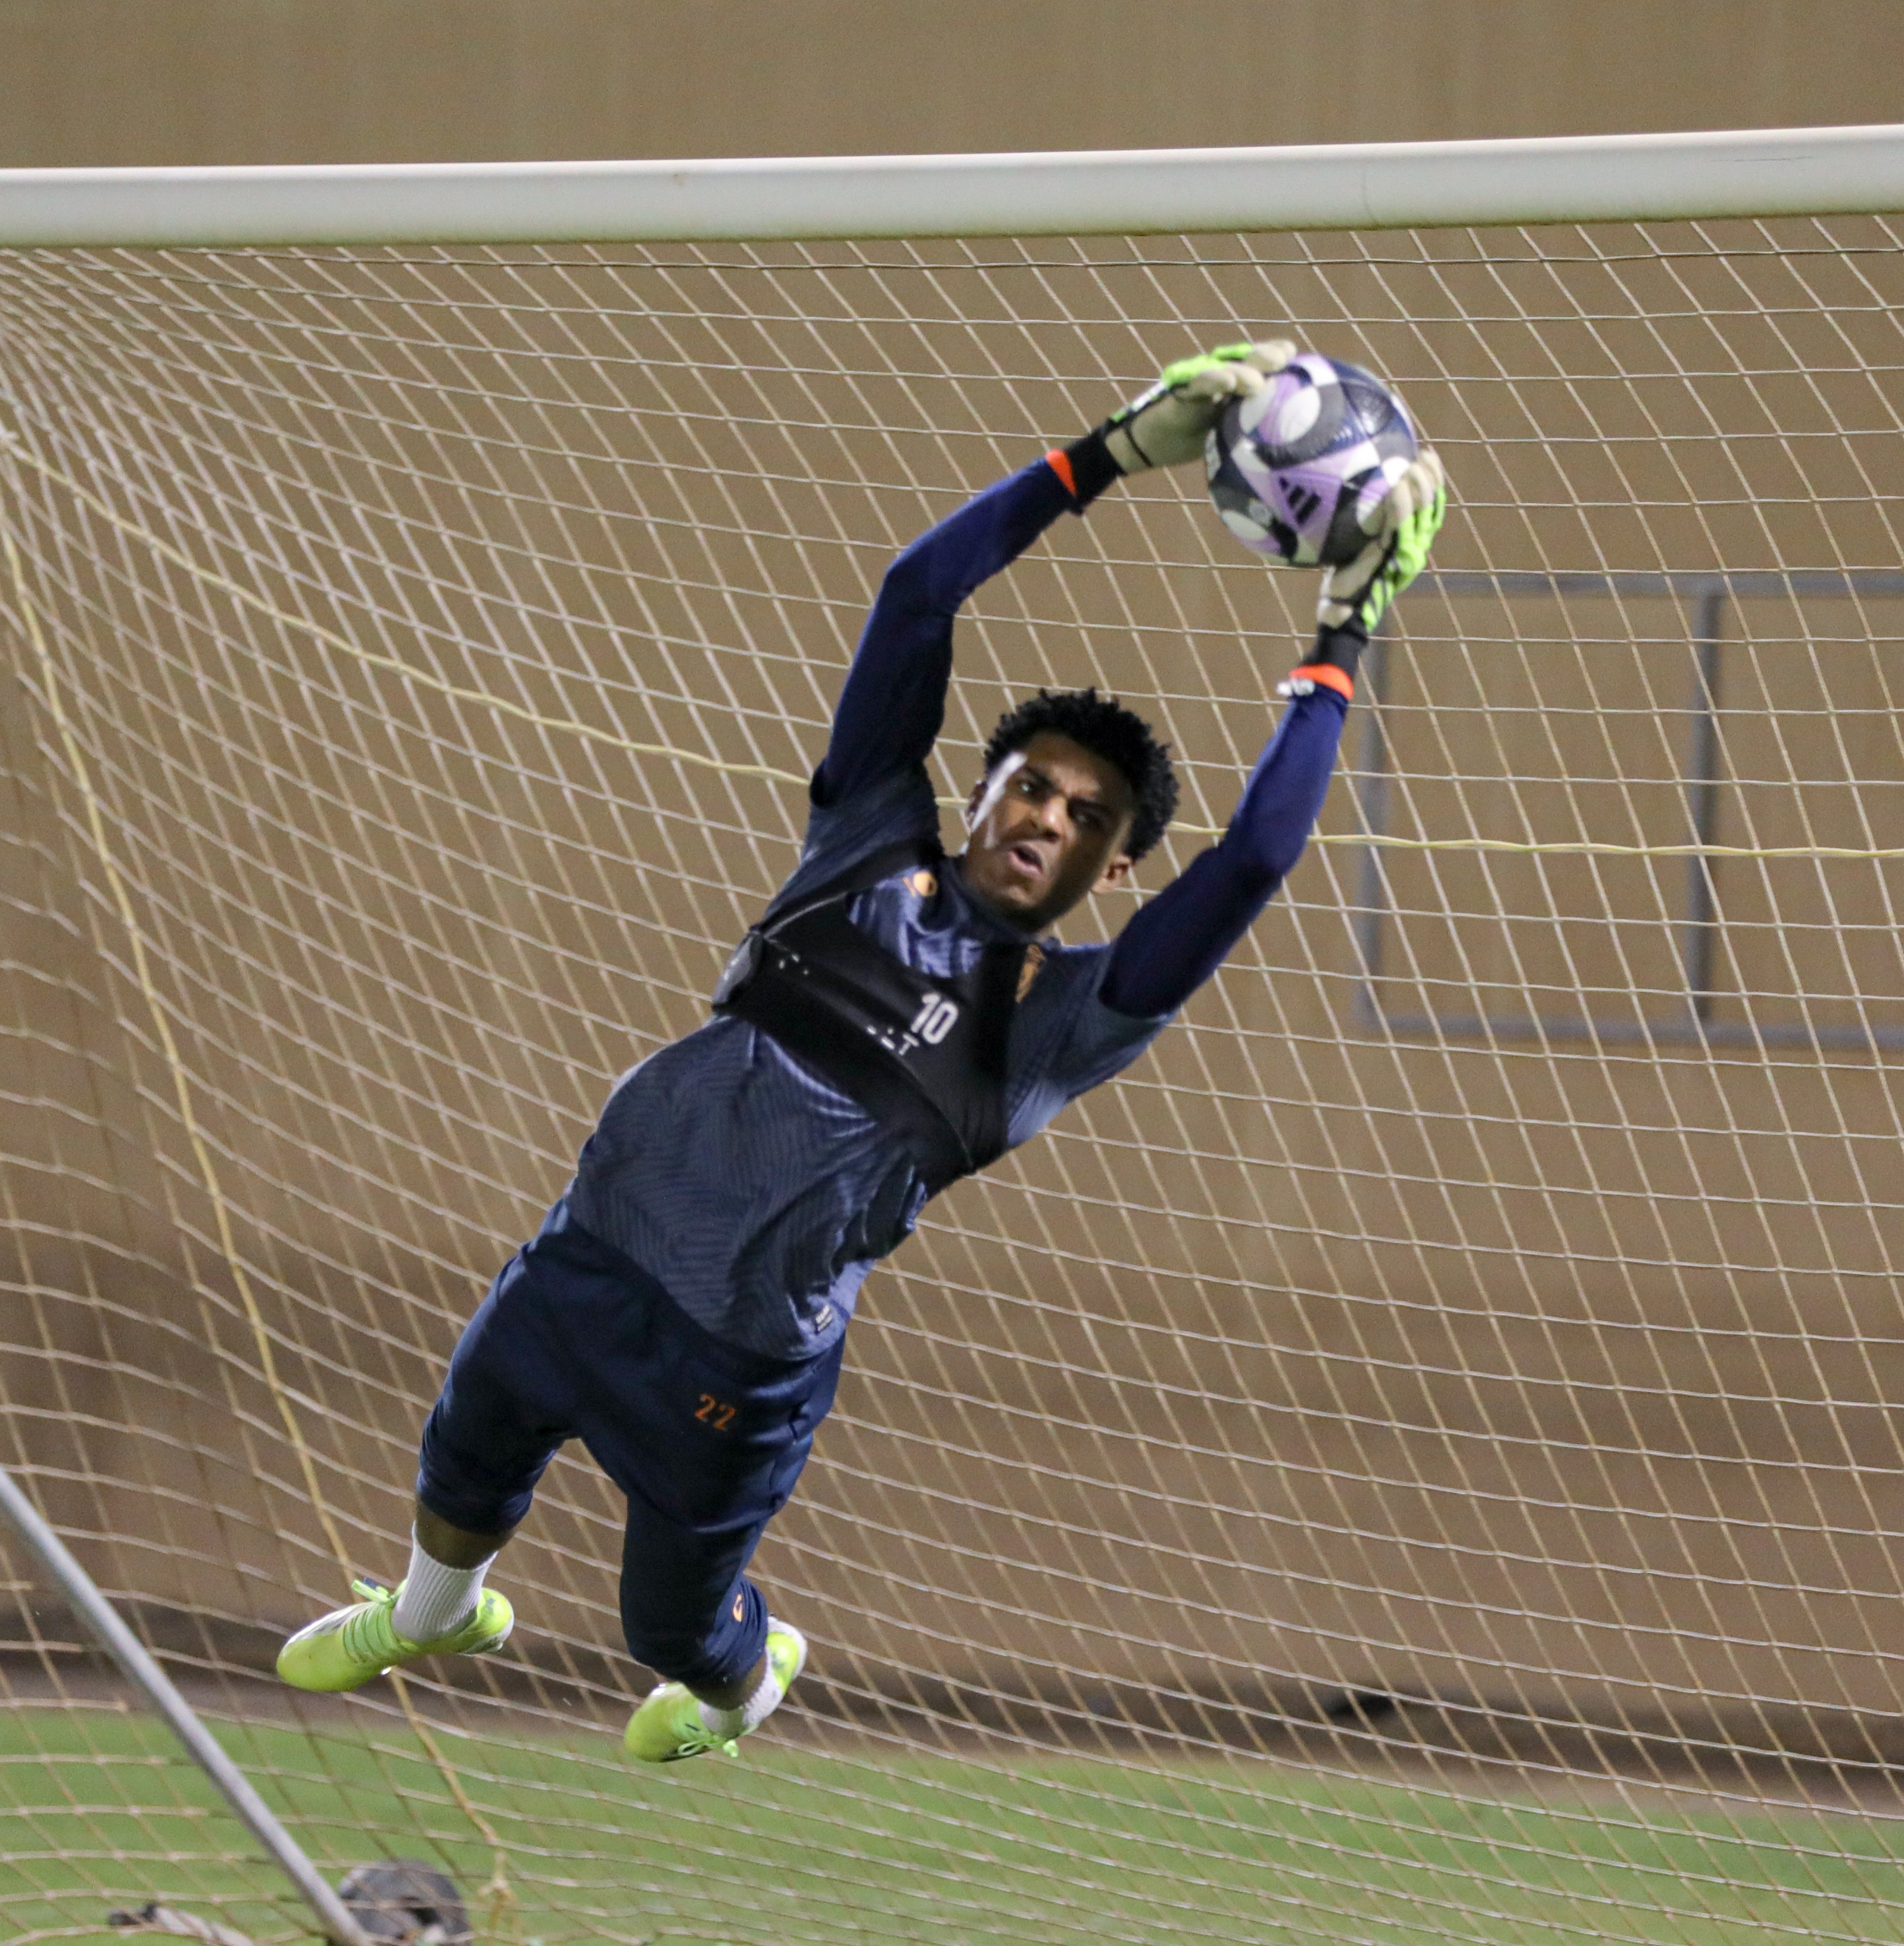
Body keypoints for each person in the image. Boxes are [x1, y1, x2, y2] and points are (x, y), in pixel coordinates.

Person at [275, 344, 1446, 1764]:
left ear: (1118, 865)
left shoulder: (1062, 1021)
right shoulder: (864, 845)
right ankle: (434, 1612)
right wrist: (1105, 455)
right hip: (592, 1245)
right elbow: (916, 595)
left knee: (670, 1631)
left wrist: (1342, 634)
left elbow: (1255, 859)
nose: (1048, 816)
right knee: (464, 1456)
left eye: (1088, 816)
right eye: (1031, 785)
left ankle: (743, 1683)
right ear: (982, 791)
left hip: (738, 1360)